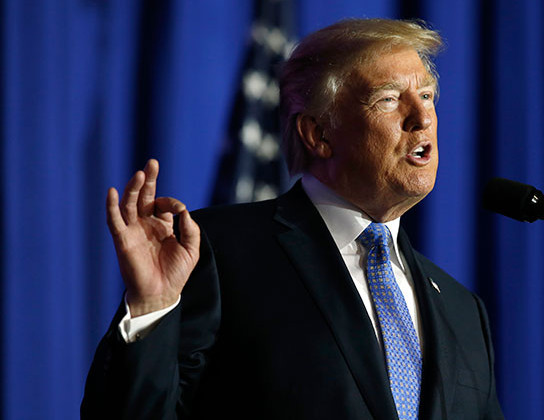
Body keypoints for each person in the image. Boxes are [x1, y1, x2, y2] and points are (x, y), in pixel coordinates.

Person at [82, 18, 504, 419]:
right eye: (389, 99)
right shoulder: (217, 253)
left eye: (427, 95)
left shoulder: (463, 309)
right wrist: (152, 308)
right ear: (318, 134)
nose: (423, 117)